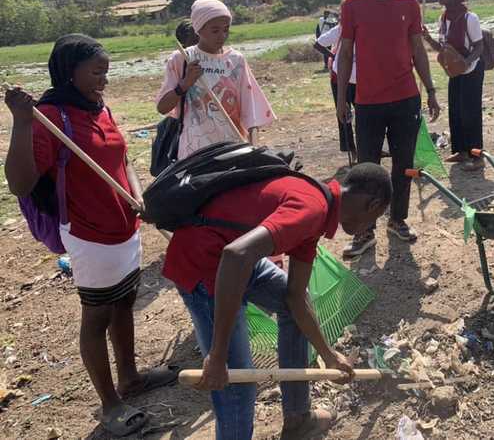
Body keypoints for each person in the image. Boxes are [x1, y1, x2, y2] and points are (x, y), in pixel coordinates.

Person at [4, 35, 177, 437]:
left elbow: (123, 159)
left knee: (125, 301)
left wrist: (138, 196)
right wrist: (22, 122)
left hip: (124, 226)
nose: (104, 81)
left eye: (106, 72)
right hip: (89, 233)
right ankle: (110, 403)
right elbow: (19, 183)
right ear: (70, 71)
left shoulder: (99, 107)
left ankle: (131, 378)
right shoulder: (49, 117)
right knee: (97, 316)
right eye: (97, 72)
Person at [163, 163, 393, 440]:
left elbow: (295, 296)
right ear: (373, 205)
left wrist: (328, 354)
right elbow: (235, 256)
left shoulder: (320, 210)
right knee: (235, 383)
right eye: (375, 219)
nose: (368, 227)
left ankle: (298, 420)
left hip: (238, 258)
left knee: (293, 308)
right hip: (204, 264)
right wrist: (218, 353)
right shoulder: (312, 209)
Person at [336, 0, 440, 257]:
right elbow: (345, 53)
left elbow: (418, 49)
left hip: (405, 98)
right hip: (367, 101)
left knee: (403, 163)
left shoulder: (409, 3)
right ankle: (365, 231)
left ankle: (397, 219)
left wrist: (431, 90)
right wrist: (341, 99)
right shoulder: (352, 5)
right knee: (366, 168)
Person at [156, 0, 275, 159]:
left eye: (226, 30)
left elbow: (251, 112)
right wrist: (185, 84)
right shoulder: (182, 59)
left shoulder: (236, 61)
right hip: (195, 153)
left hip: (234, 149)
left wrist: (253, 151)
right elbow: (162, 107)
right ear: (199, 29)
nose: (222, 36)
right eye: (215, 30)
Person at [421, 0, 485, 170]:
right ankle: (461, 151)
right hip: (455, 70)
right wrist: (427, 38)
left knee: (470, 112)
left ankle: (477, 156)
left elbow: (479, 46)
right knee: (456, 110)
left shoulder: (469, 18)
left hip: (471, 70)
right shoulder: (443, 19)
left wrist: (466, 62)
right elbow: (443, 49)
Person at [315, 24, 357, 165]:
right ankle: (351, 149)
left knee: (365, 113)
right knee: (344, 114)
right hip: (339, 78)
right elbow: (318, 44)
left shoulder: (365, 26)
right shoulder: (340, 28)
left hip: (359, 78)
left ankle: (366, 147)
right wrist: (333, 56)